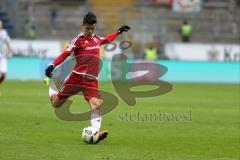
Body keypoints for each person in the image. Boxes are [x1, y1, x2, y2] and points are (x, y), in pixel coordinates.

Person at [45, 12, 130, 143]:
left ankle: (95, 131)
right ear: (82, 26)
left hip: (91, 80)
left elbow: (107, 39)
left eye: (92, 29)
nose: (90, 31)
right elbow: (65, 54)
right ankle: (51, 90)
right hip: (76, 78)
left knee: (95, 103)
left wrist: (118, 31)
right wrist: (52, 65)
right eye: (87, 28)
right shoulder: (77, 40)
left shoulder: (96, 39)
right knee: (56, 103)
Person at [0, 19, 13, 85]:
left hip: (3, 56)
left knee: (3, 75)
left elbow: (7, 42)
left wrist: (10, 51)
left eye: (1, 24)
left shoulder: (4, 33)